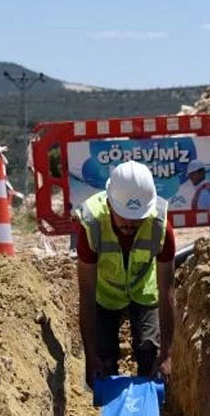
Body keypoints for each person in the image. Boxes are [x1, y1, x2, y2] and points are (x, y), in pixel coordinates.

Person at [75, 161, 175, 387]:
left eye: (137, 217)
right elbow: (87, 293)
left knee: (149, 352)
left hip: (143, 290)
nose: (130, 223)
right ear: (110, 204)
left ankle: (150, 408)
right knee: (104, 362)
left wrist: (167, 353)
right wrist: (91, 356)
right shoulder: (91, 224)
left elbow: (167, 292)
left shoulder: (160, 225)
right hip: (105, 294)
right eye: (124, 215)